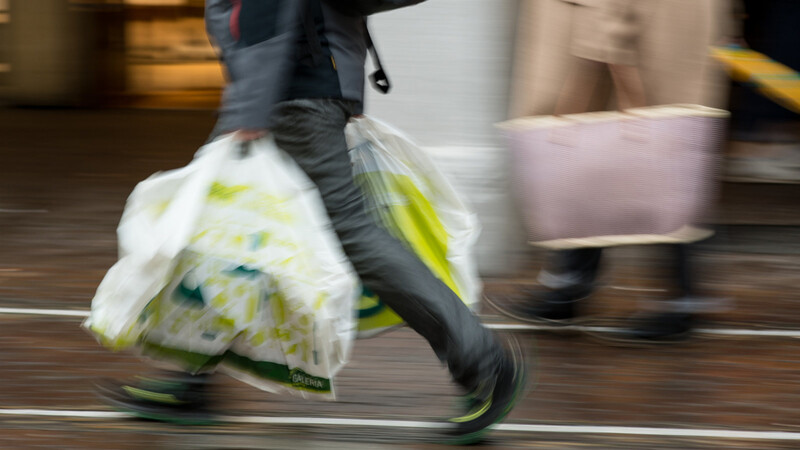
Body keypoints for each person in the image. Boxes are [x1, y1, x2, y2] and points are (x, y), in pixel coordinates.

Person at [98, 0, 526, 443]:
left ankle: (484, 364)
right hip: (302, 87)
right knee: (227, 236)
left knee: (325, 235)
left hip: (287, 95)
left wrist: (250, 106)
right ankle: (193, 379)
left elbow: (264, 9)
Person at [501, 0, 740, 342]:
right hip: (649, 23)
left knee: (653, 158)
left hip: (633, 25)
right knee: (635, 155)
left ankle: (681, 298)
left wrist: (604, 38)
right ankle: (572, 283)